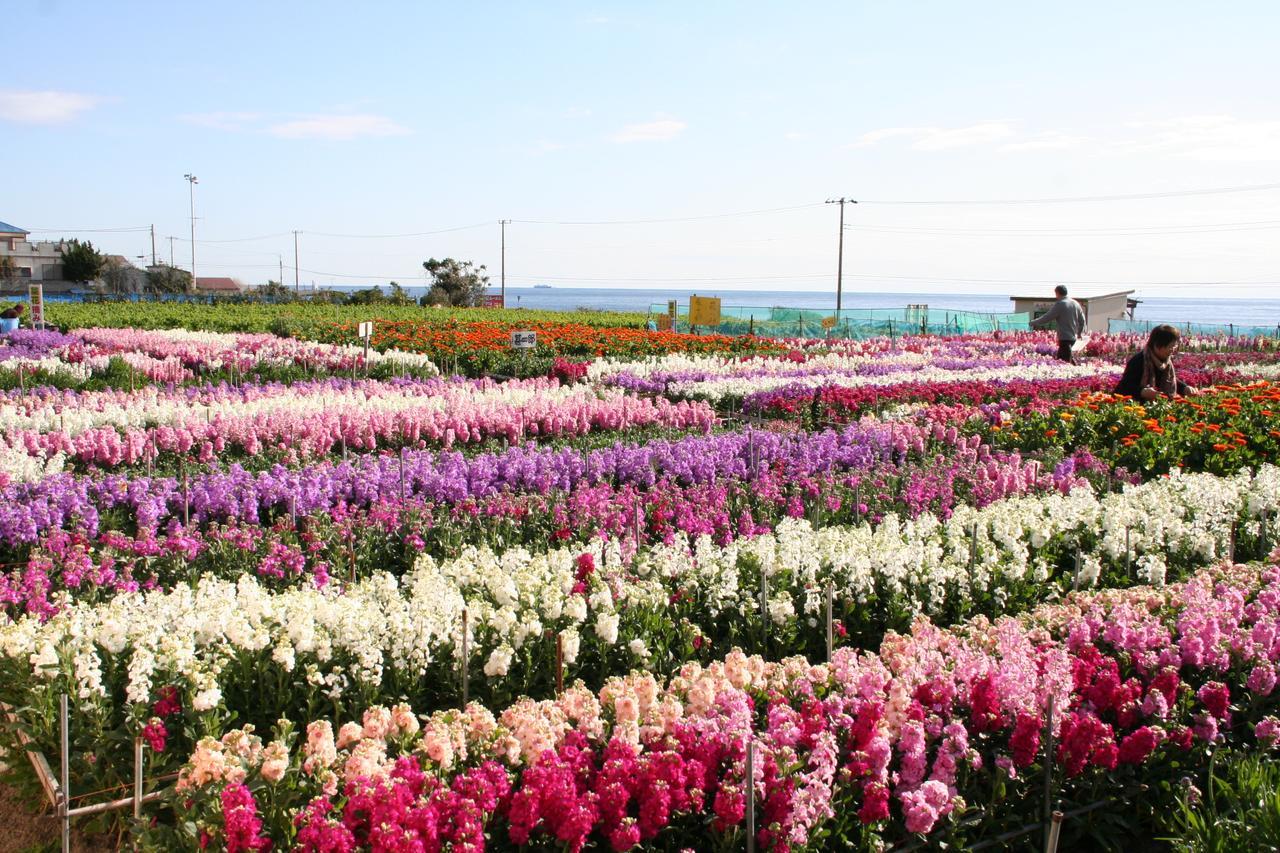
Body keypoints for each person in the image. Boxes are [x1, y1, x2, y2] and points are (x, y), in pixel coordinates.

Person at [1115, 324, 1194, 400]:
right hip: (1133, 406)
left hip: (1155, 406)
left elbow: (1168, 380)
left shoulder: (1165, 362)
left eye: (1175, 346)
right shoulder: (1139, 361)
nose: (1173, 349)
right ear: (1157, 345)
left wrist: (1184, 388)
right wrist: (1142, 392)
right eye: (1170, 346)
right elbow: (1125, 386)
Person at [1029, 285, 1087, 363]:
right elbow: (1082, 320)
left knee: (1064, 362)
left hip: (1064, 338)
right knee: (1062, 359)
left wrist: (1033, 322)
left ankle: (1078, 373)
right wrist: (1079, 333)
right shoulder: (1075, 303)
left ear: (1057, 293)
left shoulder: (1061, 304)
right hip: (1073, 337)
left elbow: (1047, 317)